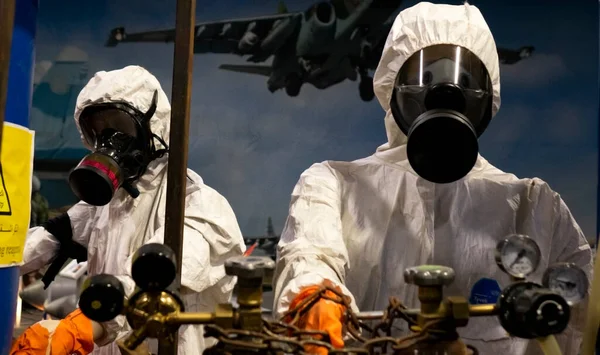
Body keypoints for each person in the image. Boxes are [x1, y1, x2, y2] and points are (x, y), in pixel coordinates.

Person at [272, 2, 592, 355]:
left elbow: (579, 315)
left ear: (487, 95)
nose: (445, 92)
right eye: (424, 78)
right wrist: (314, 297)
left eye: (464, 80)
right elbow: (310, 254)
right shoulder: (332, 184)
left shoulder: (533, 203)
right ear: (394, 86)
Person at [11, 65, 246, 355]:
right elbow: (40, 242)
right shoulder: (106, 204)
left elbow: (153, 279)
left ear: (152, 128)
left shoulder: (197, 205)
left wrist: (78, 327)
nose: (110, 140)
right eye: (99, 128)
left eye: (120, 127)